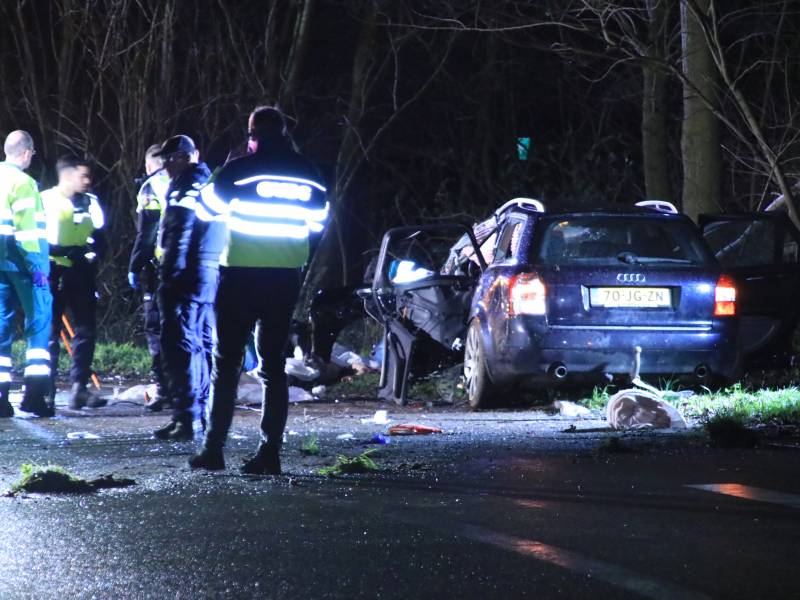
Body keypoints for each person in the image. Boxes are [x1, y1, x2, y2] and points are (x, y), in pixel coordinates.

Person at [189, 106, 327, 473]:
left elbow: (204, 209)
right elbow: (318, 221)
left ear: (252, 135)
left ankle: (213, 449)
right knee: (273, 367)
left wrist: (226, 166)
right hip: (284, 278)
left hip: (240, 276)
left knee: (226, 362)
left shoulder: (238, 171)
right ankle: (270, 454)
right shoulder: (308, 172)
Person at [152, 135, 223, 441]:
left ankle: (186, 417)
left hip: (186, 274)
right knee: (203, 345)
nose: (165, 166)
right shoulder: (211, 183)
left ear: (184, 158)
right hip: (210, 273)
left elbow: (180, 230)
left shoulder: (184, 185)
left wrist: (171, 273)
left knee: (178, 344)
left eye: (169, 160)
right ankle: (202, 414)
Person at [41, 156, 107, 409]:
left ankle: (79, 387)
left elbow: (100, 236)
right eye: (83, 176)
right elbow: (38, 237)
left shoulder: (91, 202)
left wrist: (90, 253)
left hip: (81, 272)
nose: (87, 181)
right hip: (52, 271)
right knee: (50, 331)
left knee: (86, 329)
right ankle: (46, 389)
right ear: (67, 176)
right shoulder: (46, 200)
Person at [0, 131, 52, 417]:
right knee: (39, 323)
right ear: (26, 152)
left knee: (0, 329)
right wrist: (37, 267)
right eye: (31, 153)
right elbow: (27, 231)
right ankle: (34, 396)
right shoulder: (24, 183)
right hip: (22, 265)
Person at [128, 145, 171, 411]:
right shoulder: (197, 181)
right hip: (197, 268)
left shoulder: (152, 187)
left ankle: (164, 389)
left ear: (148, 166)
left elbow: (146, 233)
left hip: (161, 269)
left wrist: (135, 265)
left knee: (156, 327)